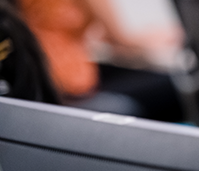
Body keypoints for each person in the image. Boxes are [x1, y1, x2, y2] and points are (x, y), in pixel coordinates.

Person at [14, 0, 184, 121]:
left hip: (38, 80)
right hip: (70, 86)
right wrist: (169, 36)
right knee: (177, 86)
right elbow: (120, 42)